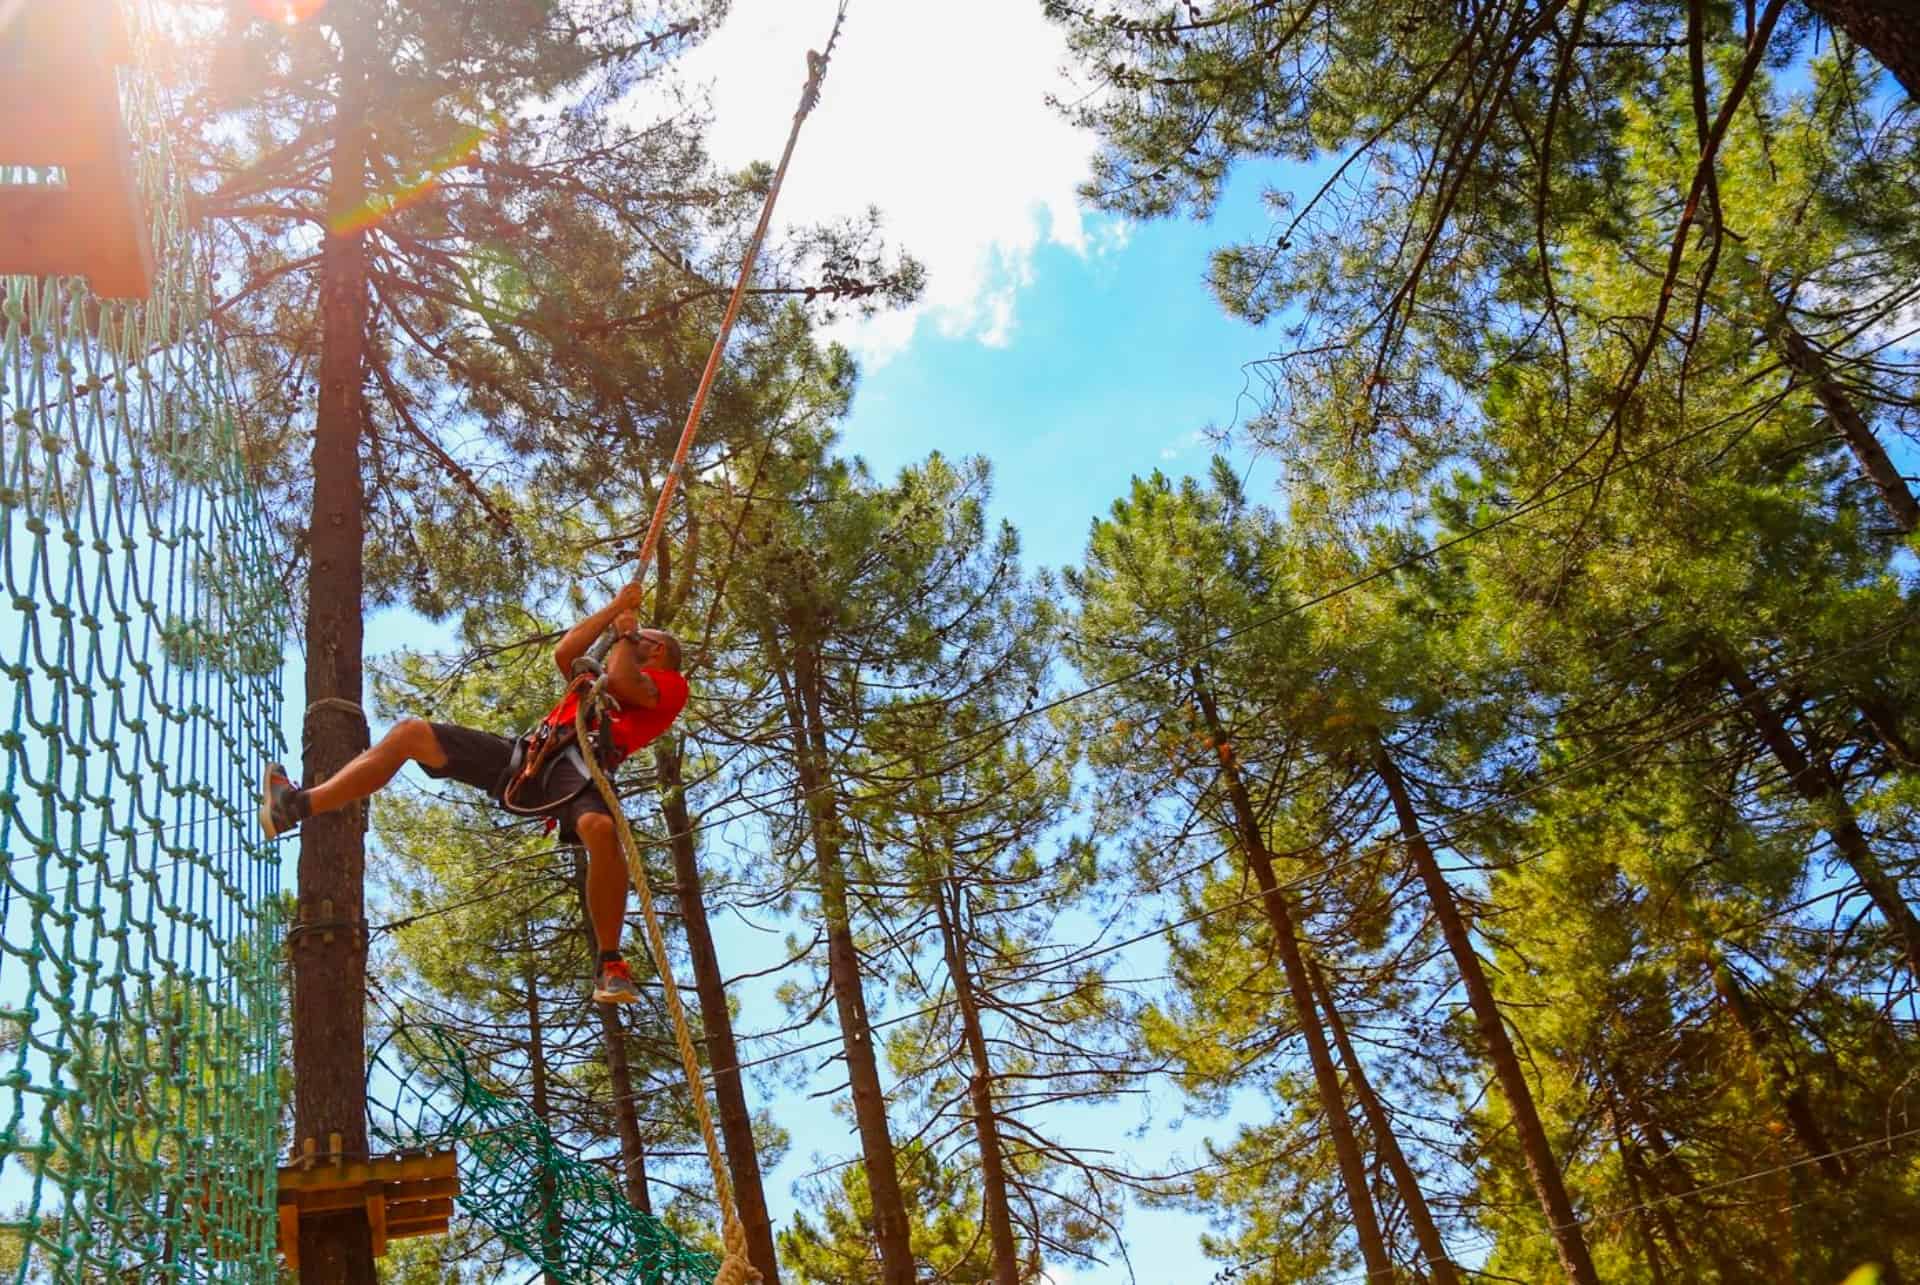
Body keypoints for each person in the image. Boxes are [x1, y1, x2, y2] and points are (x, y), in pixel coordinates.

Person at [259, 582, 689, 1005]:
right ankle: (294, 807)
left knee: (598, 827)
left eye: (641, 639)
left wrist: (628, 633)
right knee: (411, 734)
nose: (626, 638)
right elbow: (565, 652)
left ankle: (610, 964)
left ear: (656, 651)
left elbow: (625, 683)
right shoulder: (602, 669)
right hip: (532, 755)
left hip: (582, 766)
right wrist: (616, 608)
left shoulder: (669, 683)